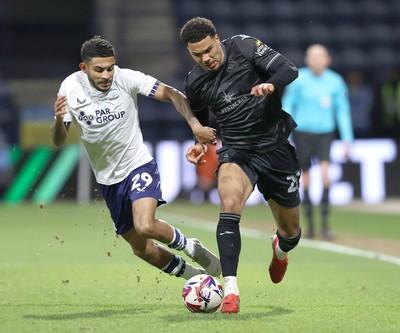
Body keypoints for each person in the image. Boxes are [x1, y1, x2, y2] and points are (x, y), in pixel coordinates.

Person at [51, 36, 221, 282]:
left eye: (110, 68)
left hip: (137, 165)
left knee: (145, 225)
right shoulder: (70, 88)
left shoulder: (126, 78)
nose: (106, 75)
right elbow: (58, 139)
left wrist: (195, 124)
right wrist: (58, 120)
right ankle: (195, 277)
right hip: (109, 180)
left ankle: (189, 246)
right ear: (83, 68)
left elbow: (173, 94)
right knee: (143, 249)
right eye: (99, 69)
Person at [180, 17, 302, 313]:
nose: (205, 58)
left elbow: (289, 69)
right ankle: (231, 289)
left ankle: (280, 250)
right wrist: (201, 142)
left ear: (217, 39)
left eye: (208, 50)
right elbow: (201, 118)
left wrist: (271, 84)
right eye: (197, 54)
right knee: (230, 201)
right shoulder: (195, 82)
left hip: (275, 148)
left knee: (291, 233)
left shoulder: (244, 47)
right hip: (237, 151)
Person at [282, 44, 354, 240]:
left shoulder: (335, 81)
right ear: (307, 59)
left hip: (325, 133)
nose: (316, 60)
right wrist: (286, 133)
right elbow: (288, 105)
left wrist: (348, 139)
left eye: (320, 56)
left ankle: (324, 224)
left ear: (327, 59)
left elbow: (342, 110)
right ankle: (310, 226)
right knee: (305, 178)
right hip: (303, 132)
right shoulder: (299, 80)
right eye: (313, 56)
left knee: (325, 175)